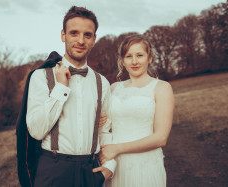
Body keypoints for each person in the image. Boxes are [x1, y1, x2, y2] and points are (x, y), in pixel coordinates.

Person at [26, 6, 115, 187]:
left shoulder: (102, 83)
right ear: (63, 35)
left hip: (90, 171)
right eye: (74, 33)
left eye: (87, 35)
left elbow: (105, 130)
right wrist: (60, 89)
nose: (80, 40)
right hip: (53, 169)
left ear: (94, 39)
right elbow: (35, 130)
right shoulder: (41, 77)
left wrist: (109, 167)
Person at [99, 34, 174, 186]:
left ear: (150, 58)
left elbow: (161, 138)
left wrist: (117, 149)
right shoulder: (114, 88)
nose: (134, 61)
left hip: (145, 164)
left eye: (139, 55)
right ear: (122, 61)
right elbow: (106, 127)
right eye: (128, 56)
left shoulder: (161, 88)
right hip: (115, 164)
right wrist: (100, 121)